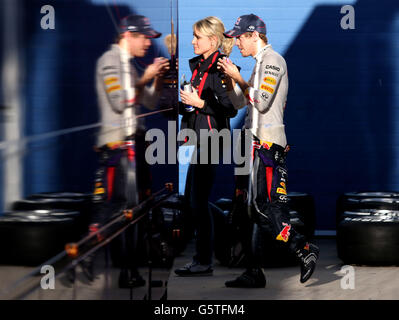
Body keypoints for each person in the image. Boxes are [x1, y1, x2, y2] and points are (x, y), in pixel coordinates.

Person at [217, 13, 319, 288]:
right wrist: (229, 79)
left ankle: (303, 248)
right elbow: (241, 103)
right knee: (248, 210)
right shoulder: (259, 63)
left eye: (239, 37)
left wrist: (238, 76)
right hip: (253, 146)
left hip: (267, 146)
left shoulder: (273, 61)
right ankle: (254, 271)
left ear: (254, 35)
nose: (237, 43)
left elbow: (261, 102)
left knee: (264, 210)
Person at [85, 14, 169, 288]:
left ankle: (130, 272)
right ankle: (87, 256)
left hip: (136, 145)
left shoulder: (128, 65)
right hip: (118, 149)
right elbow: (120, 101)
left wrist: (156, 79)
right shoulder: (110, 62)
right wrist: (145, 76)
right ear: (128, 36)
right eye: (144, 37)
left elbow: (150, 101)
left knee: (137, 211)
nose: (148, 43)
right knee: (115, 210)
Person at [174, 16, 237, 276]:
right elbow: (194, 105)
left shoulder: (220, 68)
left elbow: (231, 108)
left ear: (212, 41)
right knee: (193, 201)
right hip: (199, 138)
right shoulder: (200, 66)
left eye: (197, 37)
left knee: (197, 202)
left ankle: (204, 259)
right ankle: (223, 230)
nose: (192, 41)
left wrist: (198, 103)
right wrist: (185, 102)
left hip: (212, 140)